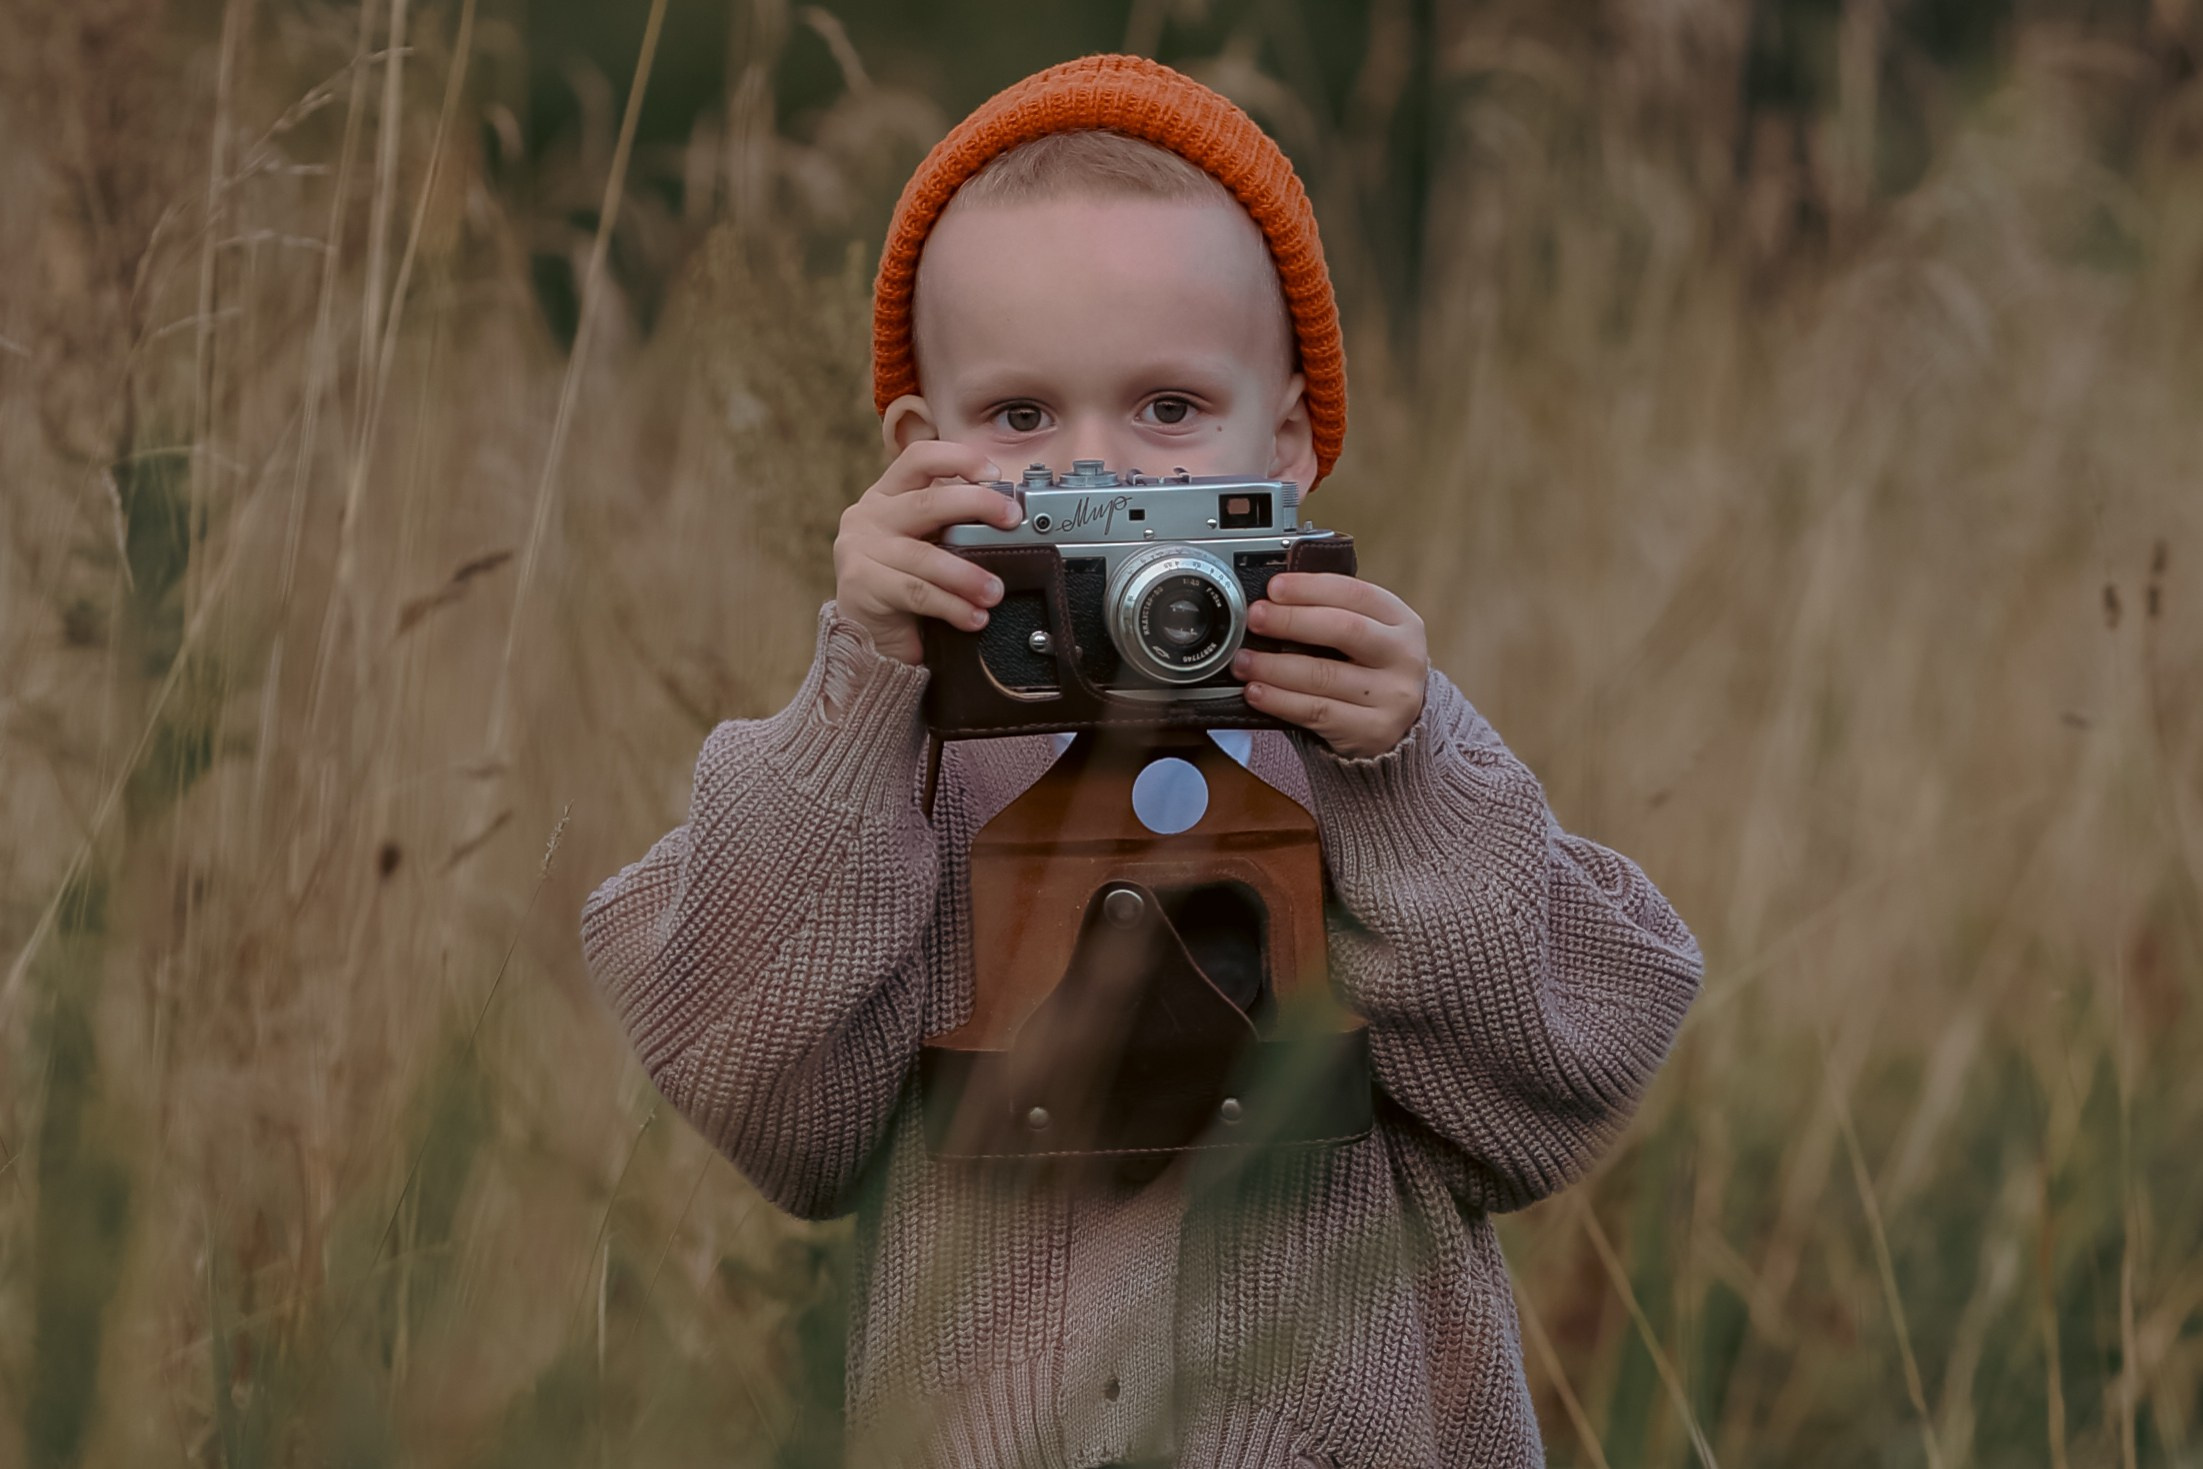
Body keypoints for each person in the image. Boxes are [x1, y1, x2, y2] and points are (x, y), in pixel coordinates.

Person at [580, 54, 1703, 1469]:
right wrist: (861, 688)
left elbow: (1557, 1091)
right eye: (1022, 418)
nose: (1099, 474)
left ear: (1284, 444)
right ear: (918, 456)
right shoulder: (903, 768)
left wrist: (1408, 775)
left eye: (1169, 409)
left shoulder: (1356, 737)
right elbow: (770, 1106)